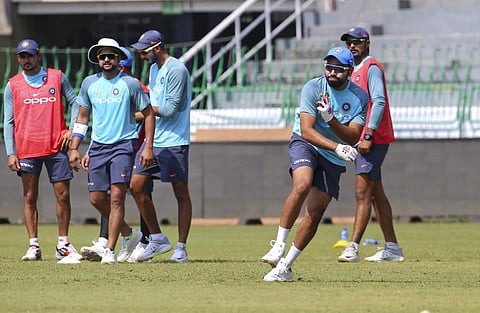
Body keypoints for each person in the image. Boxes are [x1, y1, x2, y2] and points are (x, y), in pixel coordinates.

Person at [262, 47, 368, 281]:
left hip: (333, 157)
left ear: (349, 71)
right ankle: (278, 245)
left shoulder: (359, 97)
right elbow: (308, 131)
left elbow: (353, 136)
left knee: (315, 212)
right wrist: (337, 146)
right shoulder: (313, 87)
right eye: (328, 67)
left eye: (338, 69)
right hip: (307, 143)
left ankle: (285, 267)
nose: (332, 72)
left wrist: (331, 119)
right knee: (301, 185)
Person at [69, 38, 156, 265]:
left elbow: (148, 113)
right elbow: (82, 117)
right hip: (97, 147)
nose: (107, 60)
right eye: (102, 56)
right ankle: (129, 234)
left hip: (123, 147)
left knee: (117, 199)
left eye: (111, 56)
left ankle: (109, 248)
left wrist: (148, 146)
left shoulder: (131, 84)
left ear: (119, 58)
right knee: (96, 199)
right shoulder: (89, 83)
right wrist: (75, 147)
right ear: (97, 60)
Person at [3, 38, 82, 262]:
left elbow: (75, 102)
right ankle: (33, 246)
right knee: (29, 196)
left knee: (63, 195)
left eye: (30, 55)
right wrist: (11, 152)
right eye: (22, 56)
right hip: (27, 148)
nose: (26, 60)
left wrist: (72, 129)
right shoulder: (13, 84)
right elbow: (8, 121)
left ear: (38, 56)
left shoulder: (57, 77)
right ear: (18, 58)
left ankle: (63, 245)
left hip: (56, 146)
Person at [337, 27, 404, 262]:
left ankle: (352, 247)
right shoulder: (354, 69)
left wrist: (368, 135)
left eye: (357, 42)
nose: (352, 46)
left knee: (361, 192)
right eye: (349, 43)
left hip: (373, 138)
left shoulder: (371, 67)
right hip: (364, 137)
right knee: (376, 194)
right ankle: (393, 248)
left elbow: (379, 101)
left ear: (367, 43)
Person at [129, 30, 192, 263]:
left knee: (180, 192)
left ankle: (181, 247)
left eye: (144, 50)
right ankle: (156, 238)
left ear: (157, 48)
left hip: (175, 141)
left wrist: (138, 114)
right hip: (154, 140)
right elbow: (154, 107)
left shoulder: (176, 69)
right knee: (136, 186)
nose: (141, 55)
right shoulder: (154, 69)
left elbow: (168, 109)